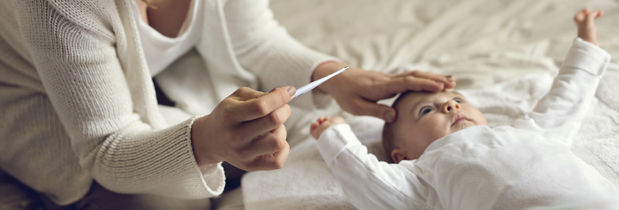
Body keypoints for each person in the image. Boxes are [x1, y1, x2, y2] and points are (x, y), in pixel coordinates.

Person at [0, 0, 456, 209]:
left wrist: (334, 77)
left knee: (320, 140)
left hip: (171, 87)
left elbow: (255, 40)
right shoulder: (57, 4)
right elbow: (106, 147)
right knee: (170, 203)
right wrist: (207, 142)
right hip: (55, 121)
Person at [310, 8, 619, 209]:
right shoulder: (424, 174)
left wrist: (587, 47)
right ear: (401, 156)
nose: (450, 105)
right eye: (426, 111)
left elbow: (567, 99)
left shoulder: (529, 131)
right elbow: (368, 181)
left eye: (458, 100)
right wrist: (334, 134)